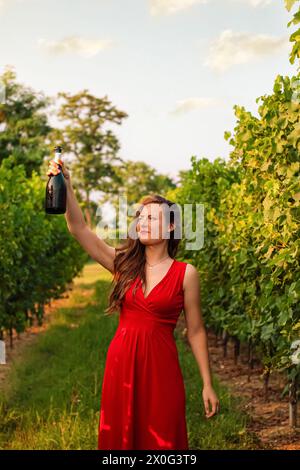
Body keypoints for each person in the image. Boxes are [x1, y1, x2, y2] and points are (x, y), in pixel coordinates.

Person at [47, 159, 220, 450]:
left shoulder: (186, 274)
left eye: (152, 218)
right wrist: (68, 186)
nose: (142, 222)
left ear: (171, 226)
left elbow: (196, 331)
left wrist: (207, 383)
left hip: (162, 368)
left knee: (162, 439)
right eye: (140, 217)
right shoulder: (122, 263)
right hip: (122, 362)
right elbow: (79, 229)